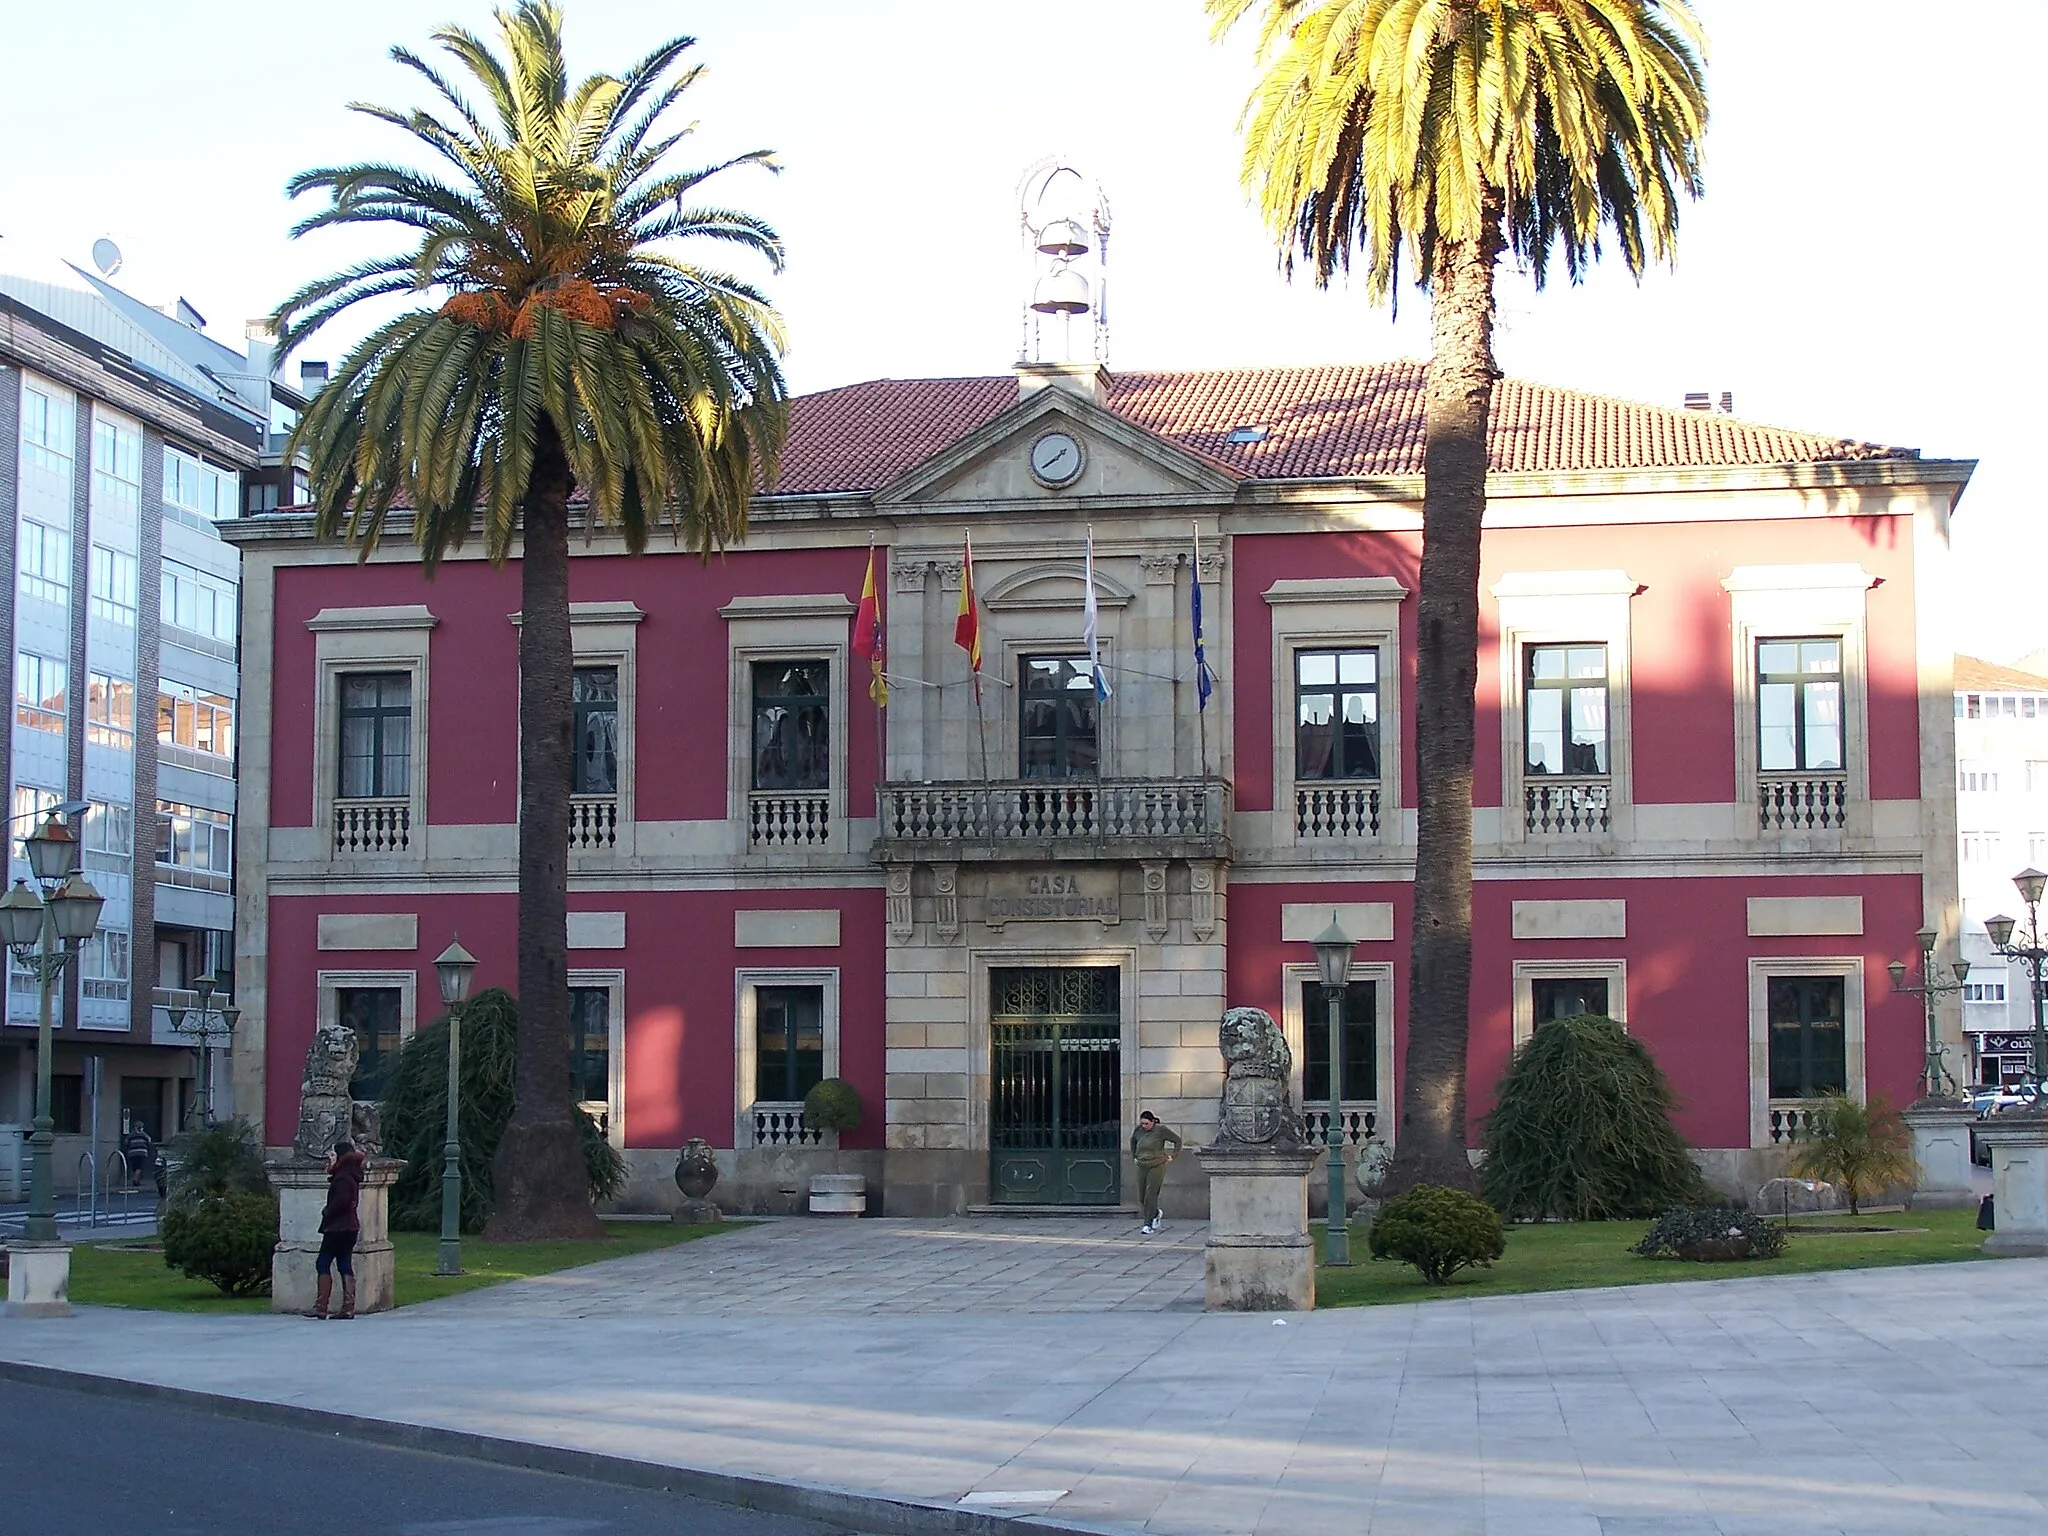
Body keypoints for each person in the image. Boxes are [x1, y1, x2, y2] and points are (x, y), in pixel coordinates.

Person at [315, 1139, 368, 1320]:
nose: (329, 1158)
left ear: (340, 1157)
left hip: (338, 1227)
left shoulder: (343, 1177)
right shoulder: (351, 1174)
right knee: (344, 1262)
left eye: (333, 1155)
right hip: (349, 1226)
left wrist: (327, 1212)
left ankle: (322, 1306)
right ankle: (347, 1307)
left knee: (323, 1262)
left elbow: (341, 1202)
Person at [1129, 1110, 1183, 1236]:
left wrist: (1173, 1156)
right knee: (1142, 1196)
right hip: (1142, 1165)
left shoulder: (1161, 1130)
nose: (1144, 1126)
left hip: (1157, 1165)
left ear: (1153, 1122)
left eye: (1146, 1124)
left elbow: (1177, 1140)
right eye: (1142, 1123)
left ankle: (1147, 1224)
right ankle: (1155, 1213)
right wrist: (1134, 1157)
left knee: (1151, 1194)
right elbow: (1133, 1141)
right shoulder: (1139, 1130)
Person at [121, 1122, 155, 1188]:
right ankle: (135, 1180)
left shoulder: (131, 1135)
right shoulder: (144, 1135)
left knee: (135, 1168)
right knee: (139, 1168)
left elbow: (126, 1142)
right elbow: (149, 1141)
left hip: (132, 1153)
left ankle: (136, 1180)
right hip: (142, 1153)